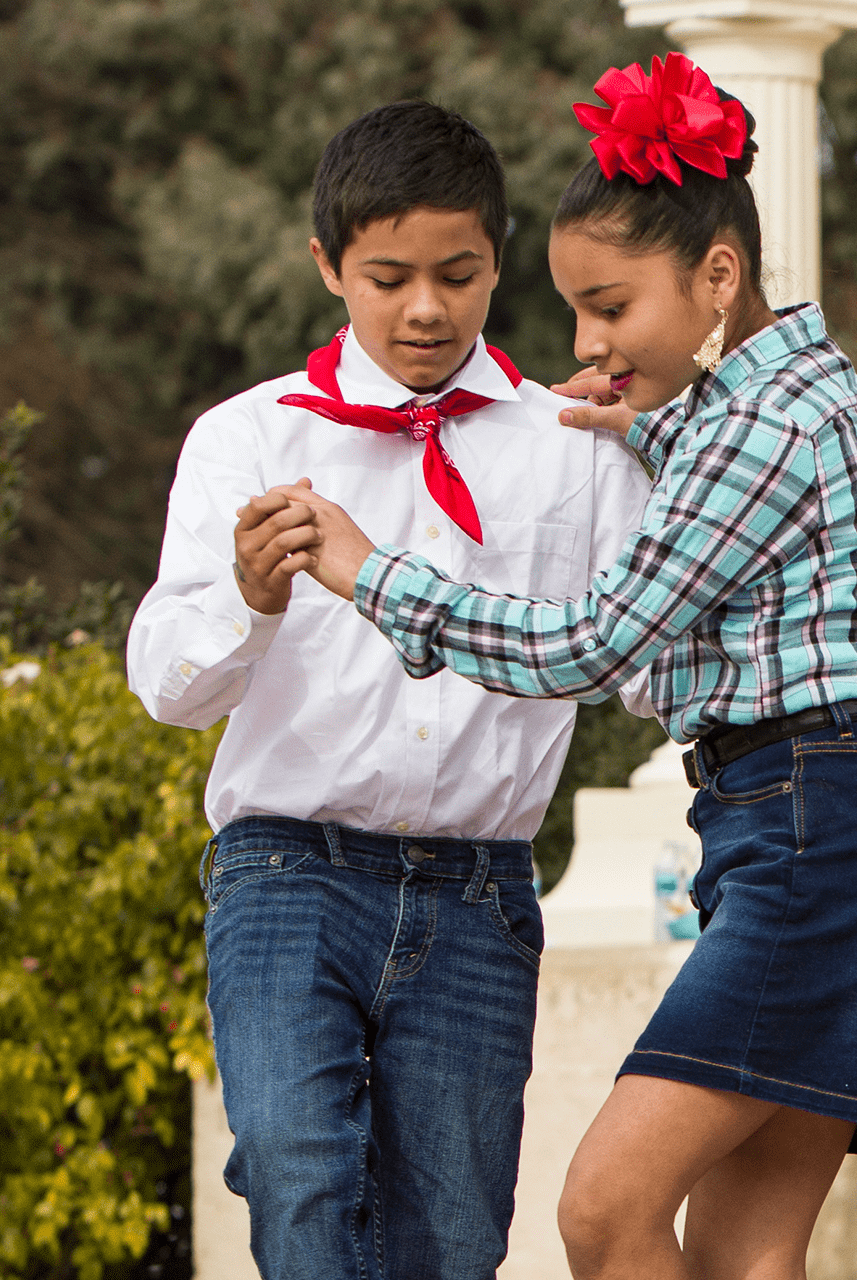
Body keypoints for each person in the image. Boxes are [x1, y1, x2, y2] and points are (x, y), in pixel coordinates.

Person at [276, 53, 857, 1280]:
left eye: (610, 307)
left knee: (605, 1210)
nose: (589, 341)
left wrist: (368, 571)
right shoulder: (786, 397)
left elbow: (590, 640)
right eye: (577, 313)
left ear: (718, 274)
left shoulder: (762, 424)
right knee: (747, 1249)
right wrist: (644, 418)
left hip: (815, 831)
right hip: (836, 825)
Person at [126, 101, 653, 1279]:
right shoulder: (246, 438)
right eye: (389, 276)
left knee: (454, 1235)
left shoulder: (572, 442)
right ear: (329, 265)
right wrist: (248, 603)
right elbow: (167, 683)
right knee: (299, 1172)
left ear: (499, 260)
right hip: (286, 870)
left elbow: (638, 656)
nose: (426, 308)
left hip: (480, 890)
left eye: (458, 274)